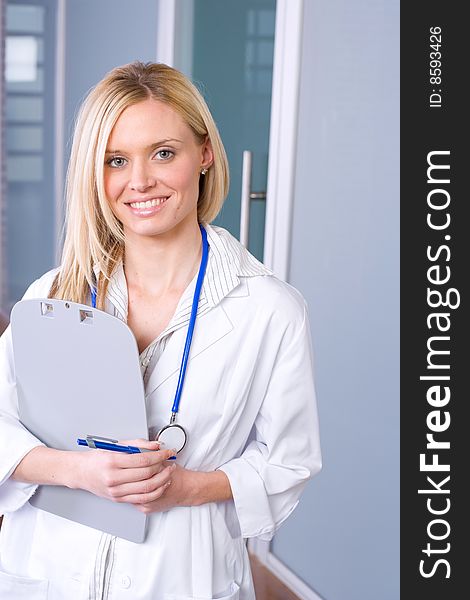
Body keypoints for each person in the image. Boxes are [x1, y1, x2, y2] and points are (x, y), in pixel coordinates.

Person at [0, 62, 321, 600]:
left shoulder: (270, 309)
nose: (140, 181)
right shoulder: (56, 294)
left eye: (164, 153)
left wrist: (189, 488)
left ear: (205, 154)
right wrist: (76, 472)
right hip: (49, 569)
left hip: (181, 576)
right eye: (116, 160)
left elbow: (288, 463)